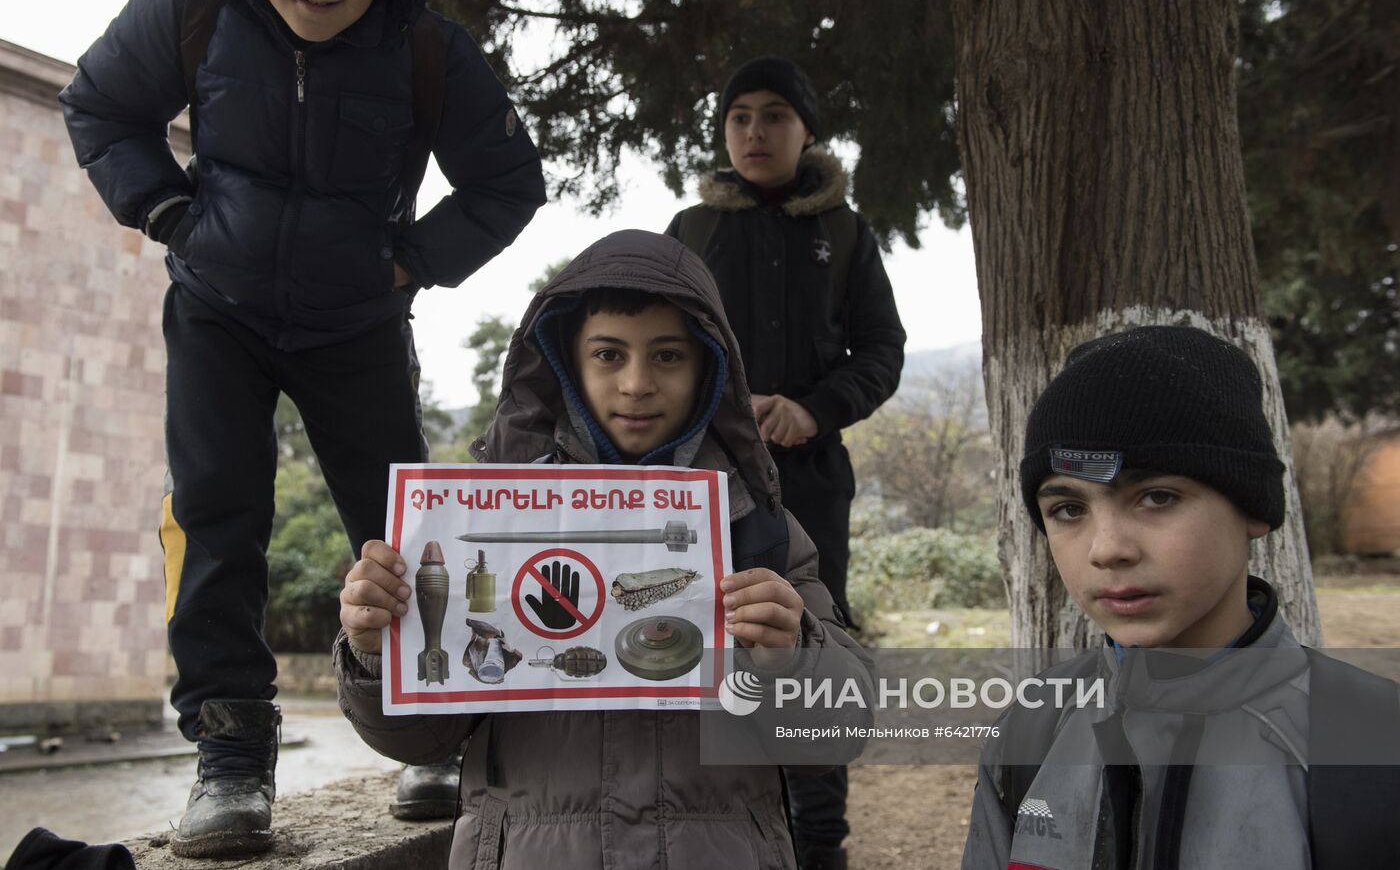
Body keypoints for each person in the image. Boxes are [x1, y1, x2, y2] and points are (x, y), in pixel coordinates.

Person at [58, 0, 546, 855]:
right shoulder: (187, 5)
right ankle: (231, 761)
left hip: (357, 326)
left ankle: (432, 739)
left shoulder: (427, 51)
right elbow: (100, 107)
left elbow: (507, 182)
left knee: (400, 531)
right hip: (216, 311)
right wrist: (167, 211)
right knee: (213, 517)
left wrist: (403, 265)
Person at [336, 229, 872, 868]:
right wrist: (374, 654)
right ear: (567, 362)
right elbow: (423, 738)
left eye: (668, 356)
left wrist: (794, 656)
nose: (637, 383)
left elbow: (840, 732)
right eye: (609, 355)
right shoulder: (478, 522)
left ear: (710, 365)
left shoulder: (758, 529)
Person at [961, 325, 1400, 869]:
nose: (1107, 550)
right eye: (1068, 509)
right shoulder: (1032, 729)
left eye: (1157, 497)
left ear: (1253, 508)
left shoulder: (1375, 744)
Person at [664, 56, 905, 870]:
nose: (754, 132)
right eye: (739, 117)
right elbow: (660, 348)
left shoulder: (843, 232)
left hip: (806, 486)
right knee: (703, 645)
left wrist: (813, 408)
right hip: (694, 489)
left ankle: (820, 848)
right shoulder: (691, 232)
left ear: (807, 130)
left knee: (805, 648)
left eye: (774, 115)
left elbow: (880, 350)